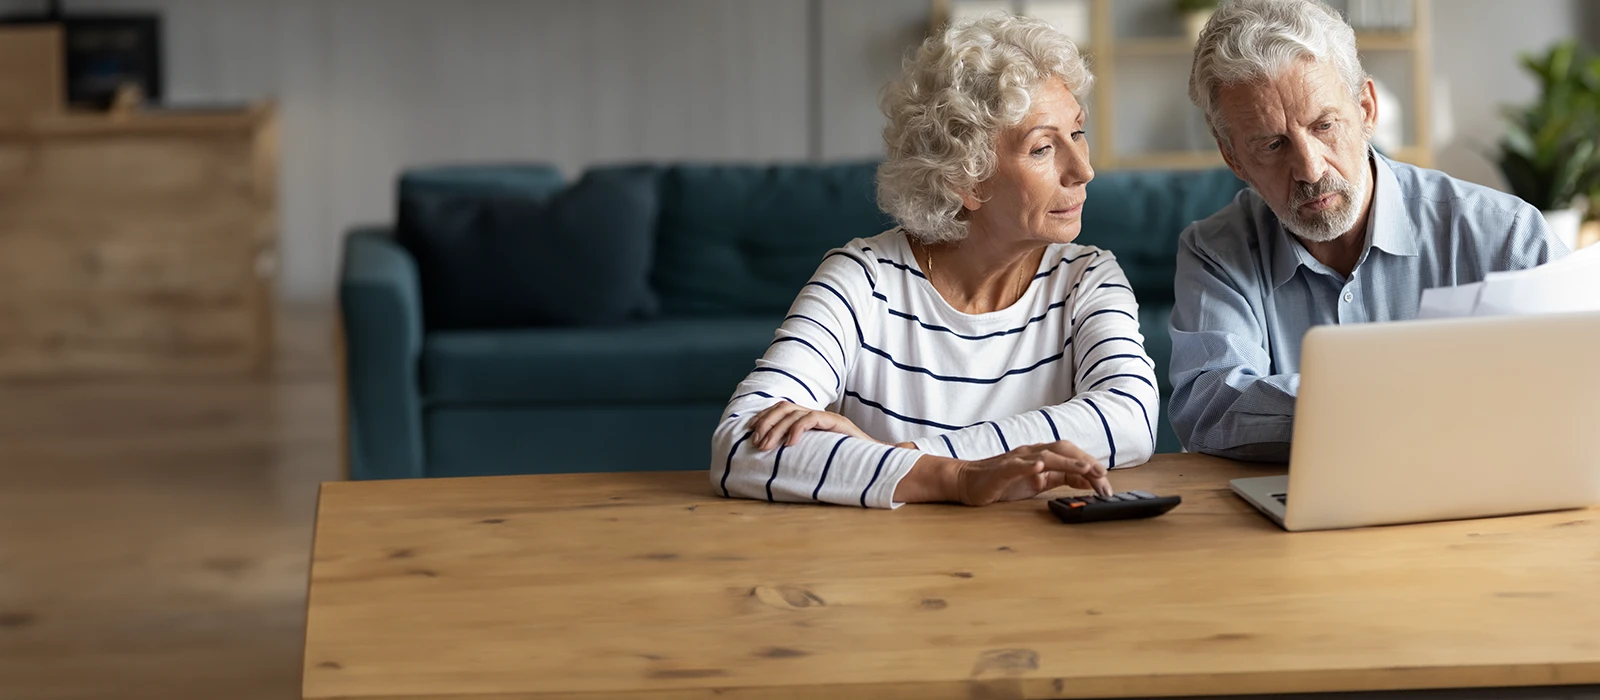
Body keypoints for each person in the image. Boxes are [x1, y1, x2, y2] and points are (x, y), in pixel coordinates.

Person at [709, 13, 1160, 508]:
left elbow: (1130, 419)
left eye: (1077, 133)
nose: (1084, 169)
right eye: (1043, 147)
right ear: (965, 181)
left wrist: (890, 458)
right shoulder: (862, 278)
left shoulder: (1088, 277)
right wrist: (957, 479)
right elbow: (739, 448)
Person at [1168, 0, 1570, 462]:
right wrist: (1407, 401)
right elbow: (1210, 407)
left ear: (1366, 109)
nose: (1310, 169)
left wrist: (1352, 407)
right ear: (1233, 157)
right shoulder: (1213, 253)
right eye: (1272, 144)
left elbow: (1580, 378)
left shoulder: (1506, 235)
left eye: (1324, 125)